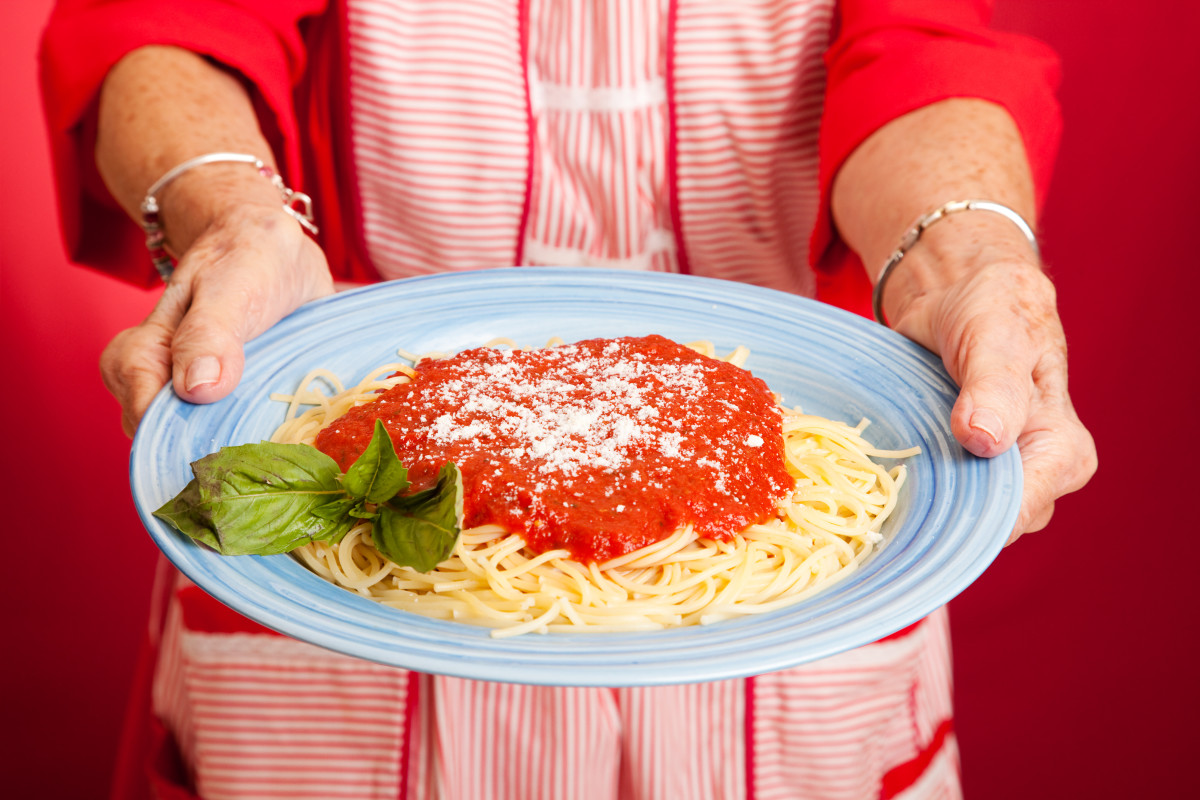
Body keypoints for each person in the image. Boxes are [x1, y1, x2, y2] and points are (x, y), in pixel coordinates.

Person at [40, 1, 1097, 798]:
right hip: (353, 527)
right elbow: (172, 16)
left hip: (786, 558)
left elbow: (922, 40)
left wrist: (963, 256)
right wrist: (231, 214)